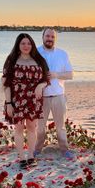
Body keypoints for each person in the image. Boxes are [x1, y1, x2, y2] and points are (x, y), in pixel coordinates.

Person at [1, 33, 49, 169]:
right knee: (18, 129)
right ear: (18, 45)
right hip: (16, 100)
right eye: (23, 43)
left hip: (34, 100)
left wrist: (41, 85)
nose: (26, 46)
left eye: (29, 43)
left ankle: (31, 156)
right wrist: (9, 103)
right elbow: (6, 83)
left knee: (32, 129)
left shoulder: (39, 60)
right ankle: (22, 157)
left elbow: (47, 79)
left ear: (32, 45)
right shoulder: (11, 60)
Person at [34, 28, 74, 159]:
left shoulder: (63, 54)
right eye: (47, 36)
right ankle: (37, 148)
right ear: (42, 37)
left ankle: (64, 149)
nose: (49, 38)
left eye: (52, 36)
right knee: (39, 127)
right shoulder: (35, 53)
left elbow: (70, 75)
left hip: (58, 96)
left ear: (55, 39)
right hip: (41, 97)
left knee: (60, 127)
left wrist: (56, 74)